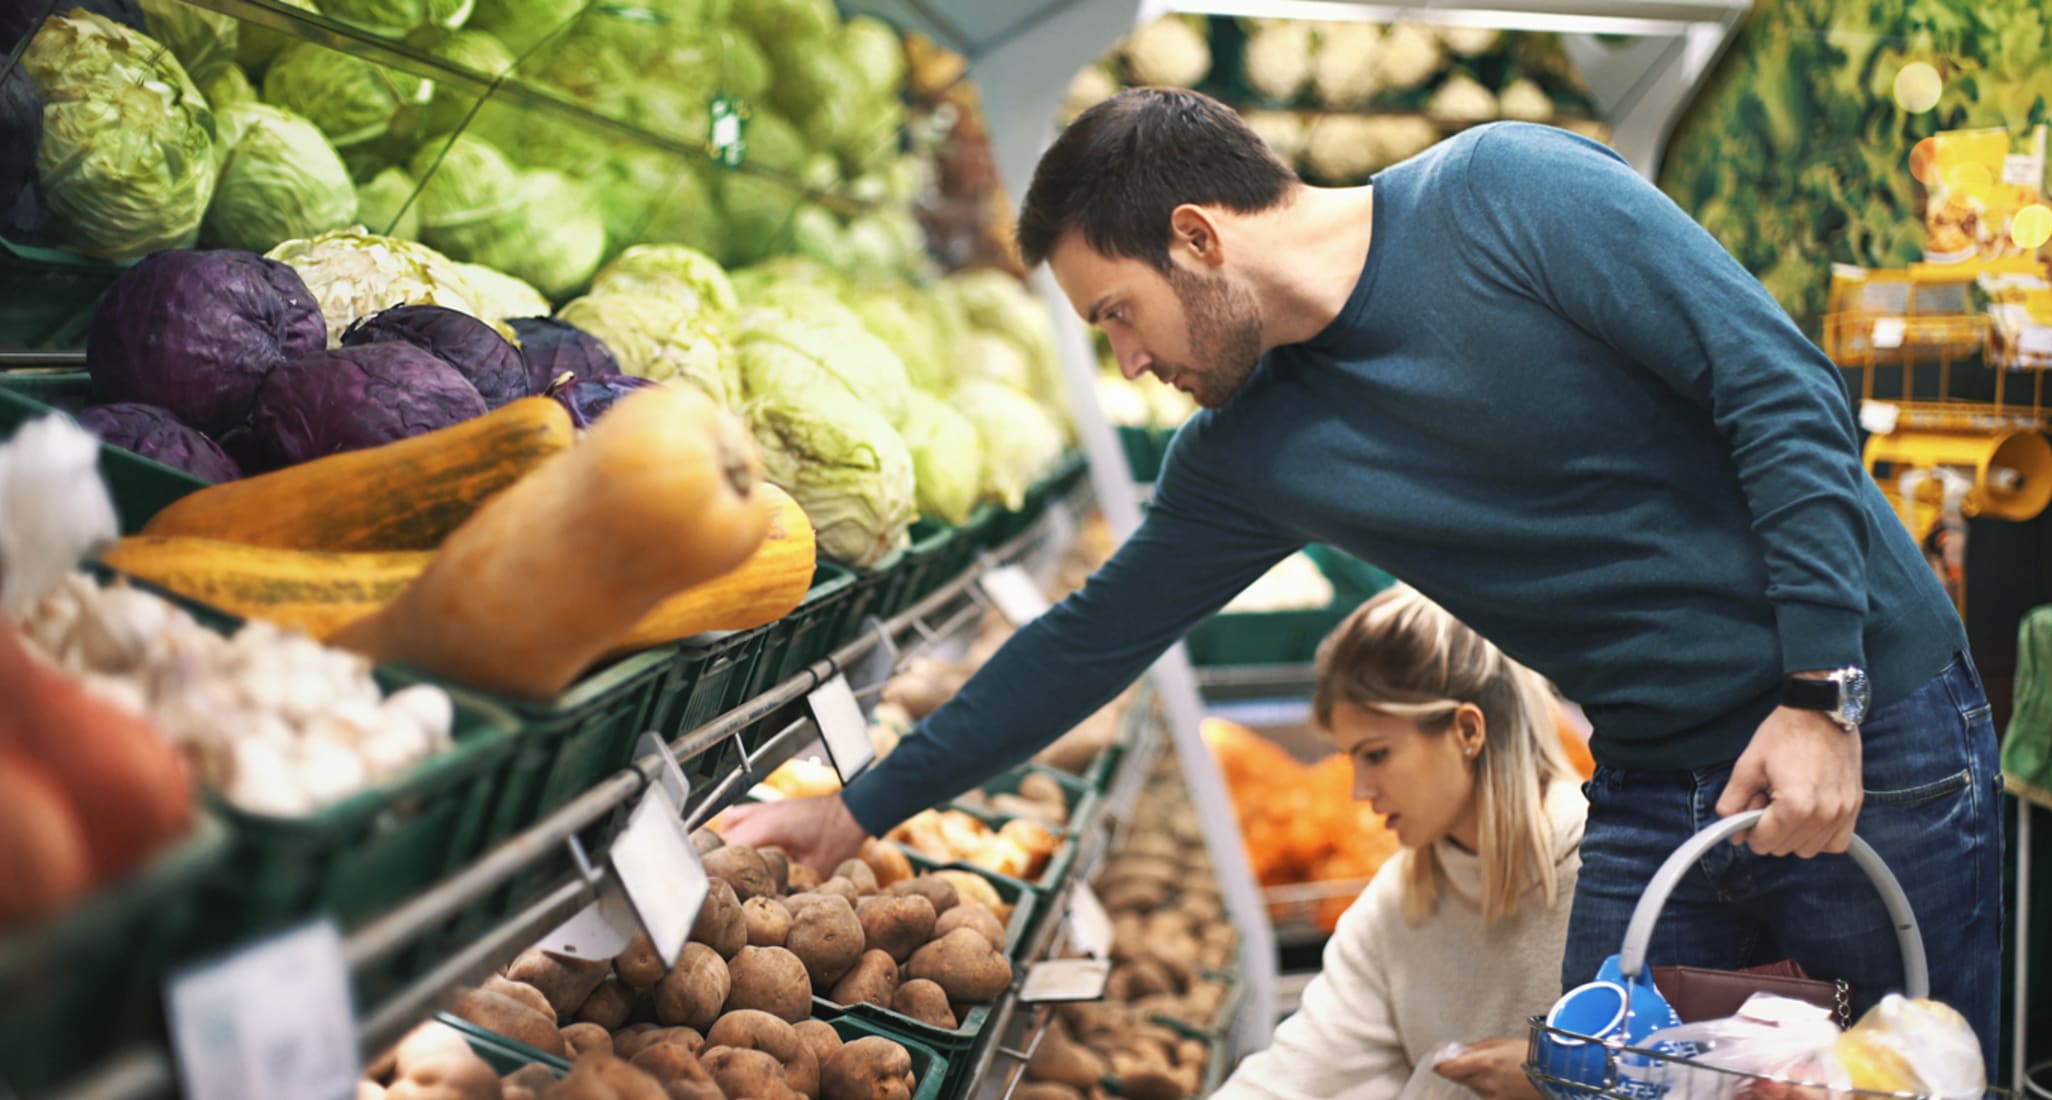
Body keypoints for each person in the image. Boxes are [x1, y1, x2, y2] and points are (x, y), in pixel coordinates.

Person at [719, 88, 2003, 1065]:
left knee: (1900, 1072)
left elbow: (1780, 389)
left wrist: (1822, 688)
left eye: (1117, 312)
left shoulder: (1511, 194)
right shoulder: (1251, 451)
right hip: (1659, 769)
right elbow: (1091, 635)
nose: (1128, 362)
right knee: (1622, 1078)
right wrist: (861, 804)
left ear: (1195, 237)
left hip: (1865, 718)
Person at [1213, 585, 1583, 1100]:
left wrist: (1566, 1079)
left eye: (1377, 755)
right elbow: (1300, 1075)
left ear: (1467, 731)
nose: (1360, 791)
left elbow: (1704, 1067)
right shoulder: (1399, 902)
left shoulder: (1603, 877)